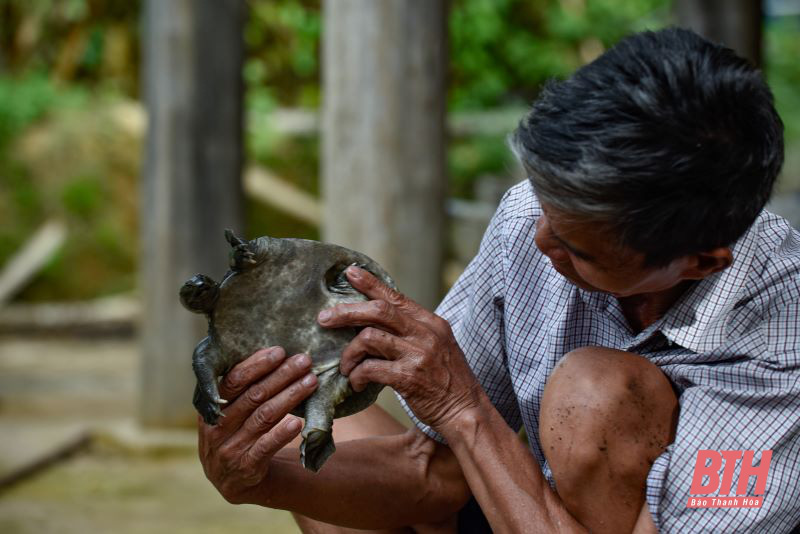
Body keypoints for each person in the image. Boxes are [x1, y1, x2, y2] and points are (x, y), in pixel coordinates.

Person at [196, 28, 800, 533]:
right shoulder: (530, 217)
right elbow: (433, 474)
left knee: (594, 394)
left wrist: (464, 406)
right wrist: (261, 480)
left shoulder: (781, 333)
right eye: (542, 207)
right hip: (527, 506)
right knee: (318, 389)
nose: (540, 243)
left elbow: (466, 425)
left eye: (576, 249)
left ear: (701, 262)